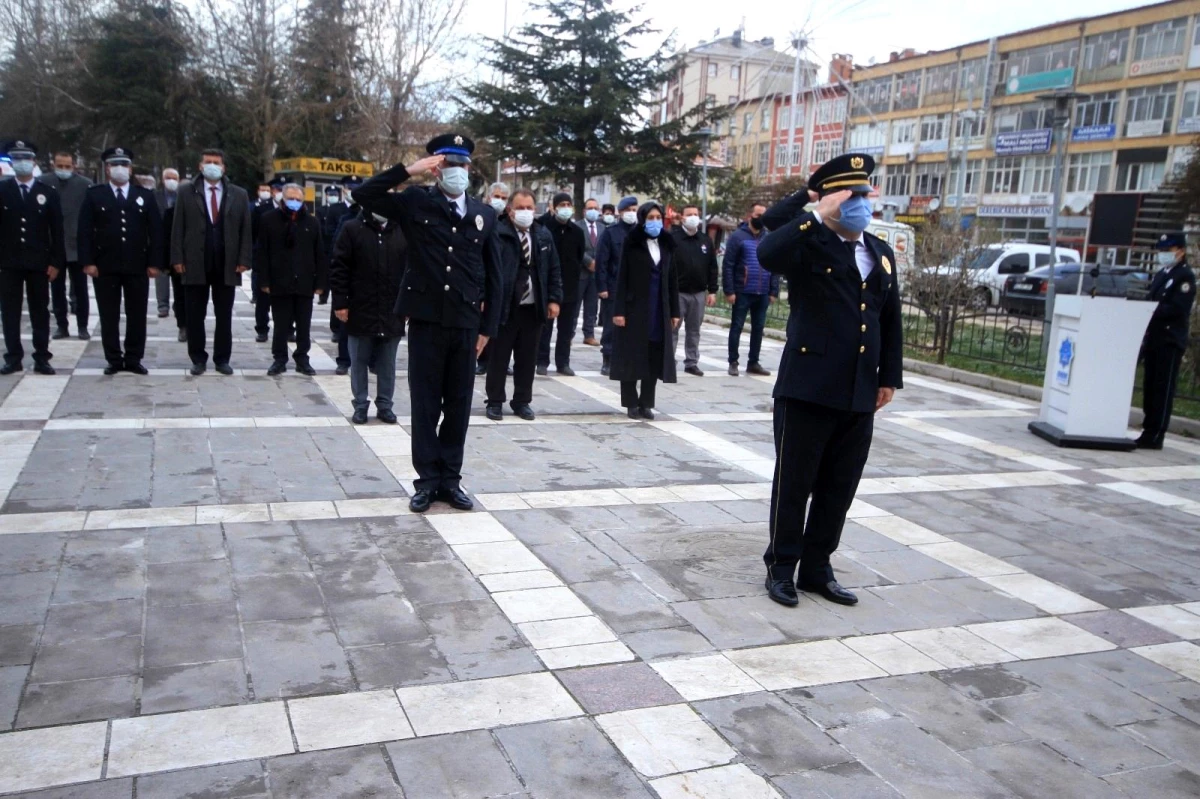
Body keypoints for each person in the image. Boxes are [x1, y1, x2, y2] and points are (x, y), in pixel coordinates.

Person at [756, 153, 902, 609]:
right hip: (807, 387)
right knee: (795, 482)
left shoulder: (880, 253)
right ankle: (782, 567)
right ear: (836, 201)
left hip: (859, 390)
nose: (863, 204)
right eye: (853, 196)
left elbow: (890, 318)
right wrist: (813, 206)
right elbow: (767, 248)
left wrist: (889, 377)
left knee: (840, 485)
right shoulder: (809, 244)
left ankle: (818, 567)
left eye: (866, 196)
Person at [353, 132, 502, 514]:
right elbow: (365, 195)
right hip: (426, 321)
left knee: (458, 404)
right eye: (449, 164)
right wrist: (407, 170)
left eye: (463, 164)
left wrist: (487, 329)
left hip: (466, 323)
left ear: (470, 169)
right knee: (424, 404)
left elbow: (494, 276)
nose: (457, 171)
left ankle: (450, 480)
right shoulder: (417, 201)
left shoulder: (484, 214)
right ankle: (427, 482)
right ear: (437, 169)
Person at [77, 147, 163, 375]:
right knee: (109, 314)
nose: (120, 169)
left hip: (137, 265)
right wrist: (88, 261)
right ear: (107, 169)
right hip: (105, 265)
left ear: (130, 168)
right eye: (115, 165)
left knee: (137, 313)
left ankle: (134, 358)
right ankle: (114, 359)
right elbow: (84, 230)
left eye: (124, 165)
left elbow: (155, 231)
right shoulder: (95, 194)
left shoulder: (144, 195)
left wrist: (155, 262)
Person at [171, 148, 253, 376]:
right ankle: (198, 358)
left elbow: (245, 230)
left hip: (226, 263)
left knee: (224, 315)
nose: (212, 165)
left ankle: (222, 358)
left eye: (216, 162)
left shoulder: (238, 194)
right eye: (208, 161)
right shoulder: (186, 192)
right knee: (195, 314)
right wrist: (177, 257)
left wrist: (244, 259)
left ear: (224, 167)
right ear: (200, 165)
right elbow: (178, 226)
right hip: (195, 261)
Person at [487, 189, 563, 421]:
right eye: (520, 208)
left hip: (533, 307)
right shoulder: (497, 233)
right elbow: (488, 269)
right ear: (510, 210)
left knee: (527, 358)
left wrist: (554, 298)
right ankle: (495, 401)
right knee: (499, 357)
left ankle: (522, 401)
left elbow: (553, 269)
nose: (525, 212)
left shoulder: (542, 235)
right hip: (505, 306)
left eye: (529, 208)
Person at [331, 207, 408, 424]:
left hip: (392, 309)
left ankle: (385, 404)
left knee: (387, 363)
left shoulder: (401, 230)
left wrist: (408, 304)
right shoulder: (352, 229)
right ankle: (360, 404)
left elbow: (410, 269)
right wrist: (340, 303)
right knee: (358, 360)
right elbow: (339, 267)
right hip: (360, 308)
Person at [610, 201, 680, 419]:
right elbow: (621, 278)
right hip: (634, 309)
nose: (655, 222)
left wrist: (675, 311)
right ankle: (631, 402)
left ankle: (646, 403)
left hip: (659, 309)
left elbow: (672, 281)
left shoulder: (667, 245)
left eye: (658, 218)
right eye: (650, 218)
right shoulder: (631, 243)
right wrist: (618, 311)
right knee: (631, 355)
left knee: (654, 355)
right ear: (642, 220)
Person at [0, 140, 64, 375]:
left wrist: (56, 262)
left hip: (39, 263)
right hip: (9, 263)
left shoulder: (46, 193)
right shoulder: (3, 190)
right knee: (9, 312)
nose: (22, 164)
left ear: (34, 162)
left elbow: (57, 230)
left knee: (40, 311)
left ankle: (42, 357)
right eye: (17, 159)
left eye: (25, 159)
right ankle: (13, 357)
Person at [255, 183, 327, 376]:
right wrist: (264, 281)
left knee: (304, 324)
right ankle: (279, 359)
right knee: (280, 324)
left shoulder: (312, 223)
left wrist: (321, 283)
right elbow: (261, 252)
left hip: (304, 282)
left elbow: (319, 253)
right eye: (290, 198)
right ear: (282, 199)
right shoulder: (268, 220)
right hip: (279, 282)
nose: (294, 202)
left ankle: (302, 358)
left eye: (298, 199)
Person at [1138, 233, 1196, 449]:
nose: (1163, 254)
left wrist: (1151, 311)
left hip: (1169, 340)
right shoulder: (1162, 274)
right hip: (1154, 338)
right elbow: (1150, 299)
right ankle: (1148, 429)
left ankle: (1156, 434)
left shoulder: (1184, 277)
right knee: (1150, 386)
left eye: (1168, 250)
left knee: (1163, 388)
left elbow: (1178, 309)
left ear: (1180, 251)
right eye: (1161, 250)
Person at [39, 151, 91, 341]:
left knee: (81, 288)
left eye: (67, 166)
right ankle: (62, 325)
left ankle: (83, 326)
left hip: (77, 244)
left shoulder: (85, 185)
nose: (63, 169)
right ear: (54, 165)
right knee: (57, 288)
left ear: (74, 166)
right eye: (60, 166)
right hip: (53, 246)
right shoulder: (43, 182)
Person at [723, 203, 779, 377]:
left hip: (762, 292)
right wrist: (729, 290)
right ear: (750, 215)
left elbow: (774, 265)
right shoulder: (737, 237)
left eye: (764, 215)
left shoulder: (768, 237)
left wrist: (773, 290)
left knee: (758, 328)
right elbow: (728, 265)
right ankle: (733, 362)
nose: (760, 218)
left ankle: (753, 362)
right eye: (758, 214)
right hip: (742, 290)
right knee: (737, 326)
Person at [537, 192, 584, 376]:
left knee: (566, 329)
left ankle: (563, 362)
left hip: (571, 287)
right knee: (545, 327)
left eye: (568, 204)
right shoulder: (544, 227)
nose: (566, 208)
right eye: (562, 204)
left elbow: (579, 258)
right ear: (554, 207)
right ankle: (542, 361)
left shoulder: (577, 232)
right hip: (549, 286)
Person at [670, 205, 718, 376]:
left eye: (696, 215)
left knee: (694, 330)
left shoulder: (705, 240)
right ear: (682, 218)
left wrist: (712, 291)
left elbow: (713, 267)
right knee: (672, 329)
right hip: (677, 292)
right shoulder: (673, 239)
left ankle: (691, 362)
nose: (693, 217)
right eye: (689, 215)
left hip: (698, 293)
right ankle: (669, 361)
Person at [595, 196, 638, 376]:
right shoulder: (610, 232)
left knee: (633, 326)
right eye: (629, 210)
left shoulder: (640, 232)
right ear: (620, 212)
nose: (632, 214)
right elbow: (602, 262)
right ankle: (608, 358)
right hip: (614, 286)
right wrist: (602, 287)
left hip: (635, 288)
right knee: (611, 326)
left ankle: (628, 358)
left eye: (635, 210)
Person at [476, 181, 511, 376]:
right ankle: (482, 359)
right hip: (483, 278)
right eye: (497, 197)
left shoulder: (507, 222)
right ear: (489, 197)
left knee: (501, 324)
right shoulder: (480, 217)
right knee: (484, 321)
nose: (500, 201)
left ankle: (501, 361)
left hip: (503, 280)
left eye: (504, 198)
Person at [250, 176, 283, 343]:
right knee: (263, 299)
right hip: (266, 260)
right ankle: (262, 329)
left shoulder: (295, 210)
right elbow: (254, 235)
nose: (279, 193)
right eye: (277, 189)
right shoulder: (261, 209)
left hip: (285, 263)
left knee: (286, 301)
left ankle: (287, 329)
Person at [578, 197, 604, 346]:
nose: (593, 211)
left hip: (596, 274)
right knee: (575, 306)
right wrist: (588, 262)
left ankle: (589, 334)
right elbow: (577, 248)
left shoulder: (602, 228)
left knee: (592, 306)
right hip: (581, 272)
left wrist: (598, 263)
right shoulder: (577, 227)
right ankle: (569, 334)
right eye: (590, 208)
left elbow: (604, 249)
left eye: (595, 208)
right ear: (584, 211)